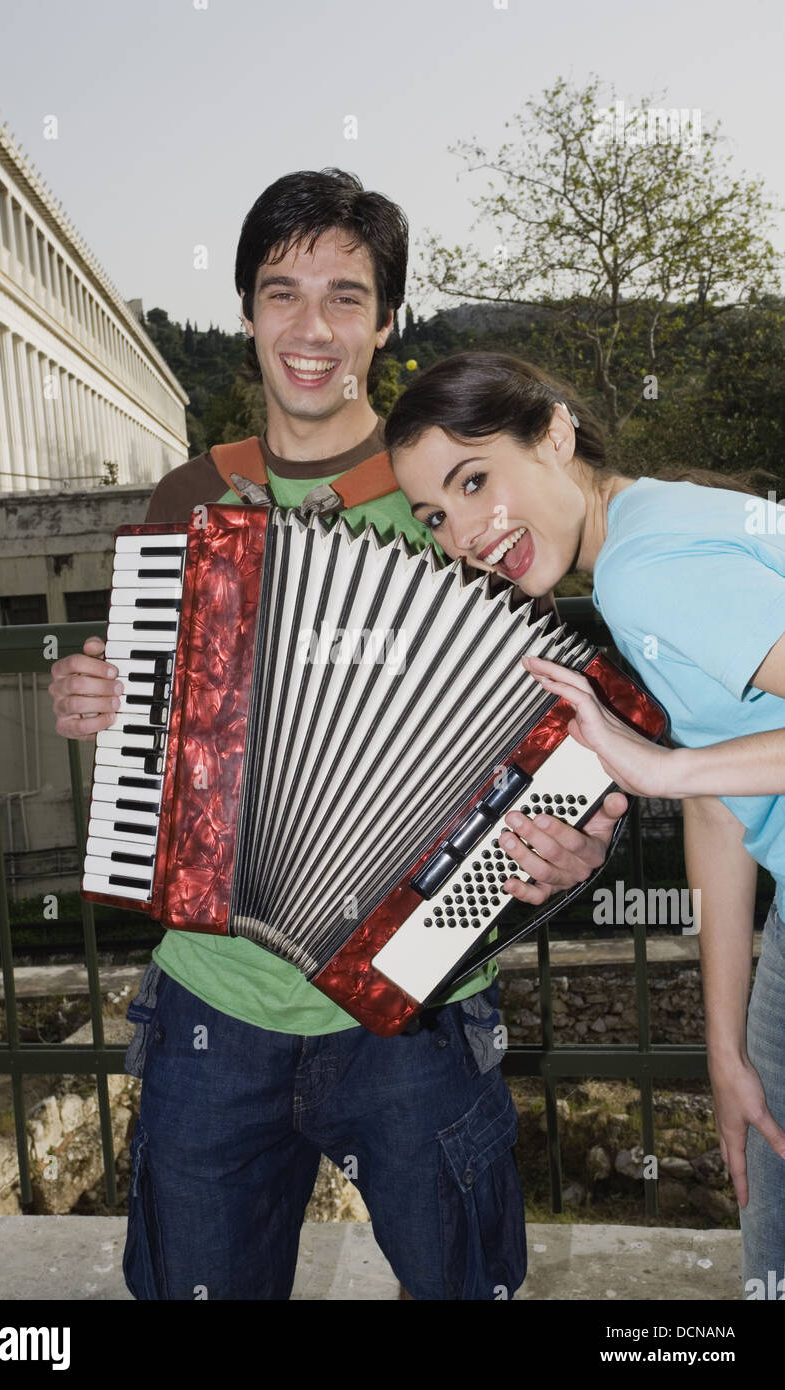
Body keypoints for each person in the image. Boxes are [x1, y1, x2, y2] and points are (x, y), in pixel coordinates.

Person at [49, 174, 626, 1301]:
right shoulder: (190, 500)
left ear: (385, 319)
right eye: (281, 294)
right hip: (212, 1001)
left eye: (345, 297)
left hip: (416, 1007)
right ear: (247, 312)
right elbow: (146, 744)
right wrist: (96, 703)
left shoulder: (457, 500)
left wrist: (575, 841)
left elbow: (551, 737)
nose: (312, 330)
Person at [384, 349, 785, 1299]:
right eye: (436, 516)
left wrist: (660, 762)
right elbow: (724, 809)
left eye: (475, 479)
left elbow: (691, 776)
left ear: (555, 435)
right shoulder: (658, 518)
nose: (466, 533)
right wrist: (723, 1051)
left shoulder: (643, 570)